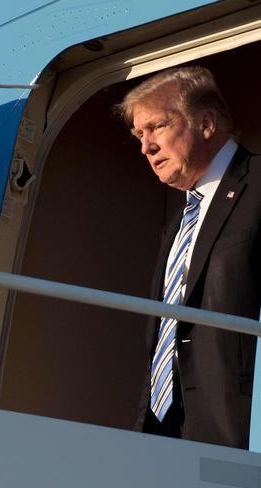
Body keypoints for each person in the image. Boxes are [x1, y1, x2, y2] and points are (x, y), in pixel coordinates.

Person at [116, 66, 260, 449]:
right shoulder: (177, 224)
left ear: (207, 123)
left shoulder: (258, 185)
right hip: (166, 436)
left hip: (239, 431)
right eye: (139, 136)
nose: (146, 147)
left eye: (157, 127)